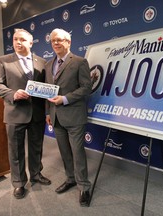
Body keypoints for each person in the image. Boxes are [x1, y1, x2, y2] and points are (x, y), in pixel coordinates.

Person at [0, 28, 51, 199]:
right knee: (15, 151)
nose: (18, 42)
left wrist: (48, 111)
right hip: (15, 113)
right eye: (15, 39)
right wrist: (13, 94)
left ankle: (36, 174)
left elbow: (46, 90)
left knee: (36, 147)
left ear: (31, 43)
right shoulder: (3, 61)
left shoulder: (42, 62)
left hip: (37, 114)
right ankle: (18, 183)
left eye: (22, 40)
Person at [45, 28, 92, 207]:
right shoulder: (49, 65)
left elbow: (86, 88)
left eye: (59, 40)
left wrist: (65, 99)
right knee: (65, 152)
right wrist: (48, 112)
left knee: (78, 153)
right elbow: (47, 91)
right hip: (56, 117)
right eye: (53, 41)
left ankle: (84, 186)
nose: (55, 43)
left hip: (74, 116)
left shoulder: (80, 62)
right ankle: (70, 179)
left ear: (68, 42)